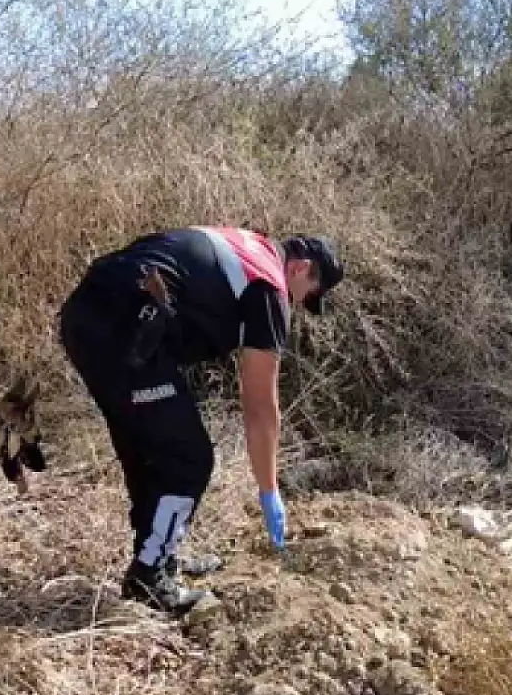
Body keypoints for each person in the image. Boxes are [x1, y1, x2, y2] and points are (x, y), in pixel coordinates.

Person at [58, 226, 344, 615]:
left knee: (148, 447)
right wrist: (268, 489)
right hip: (125, 325)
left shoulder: (244, 245)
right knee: (189, 460)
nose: (299, 304)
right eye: (309, 293)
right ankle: (149, 578)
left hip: (88, 313)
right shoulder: (268, 284)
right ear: (300, 268)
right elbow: (260, 404)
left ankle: (160, 553)